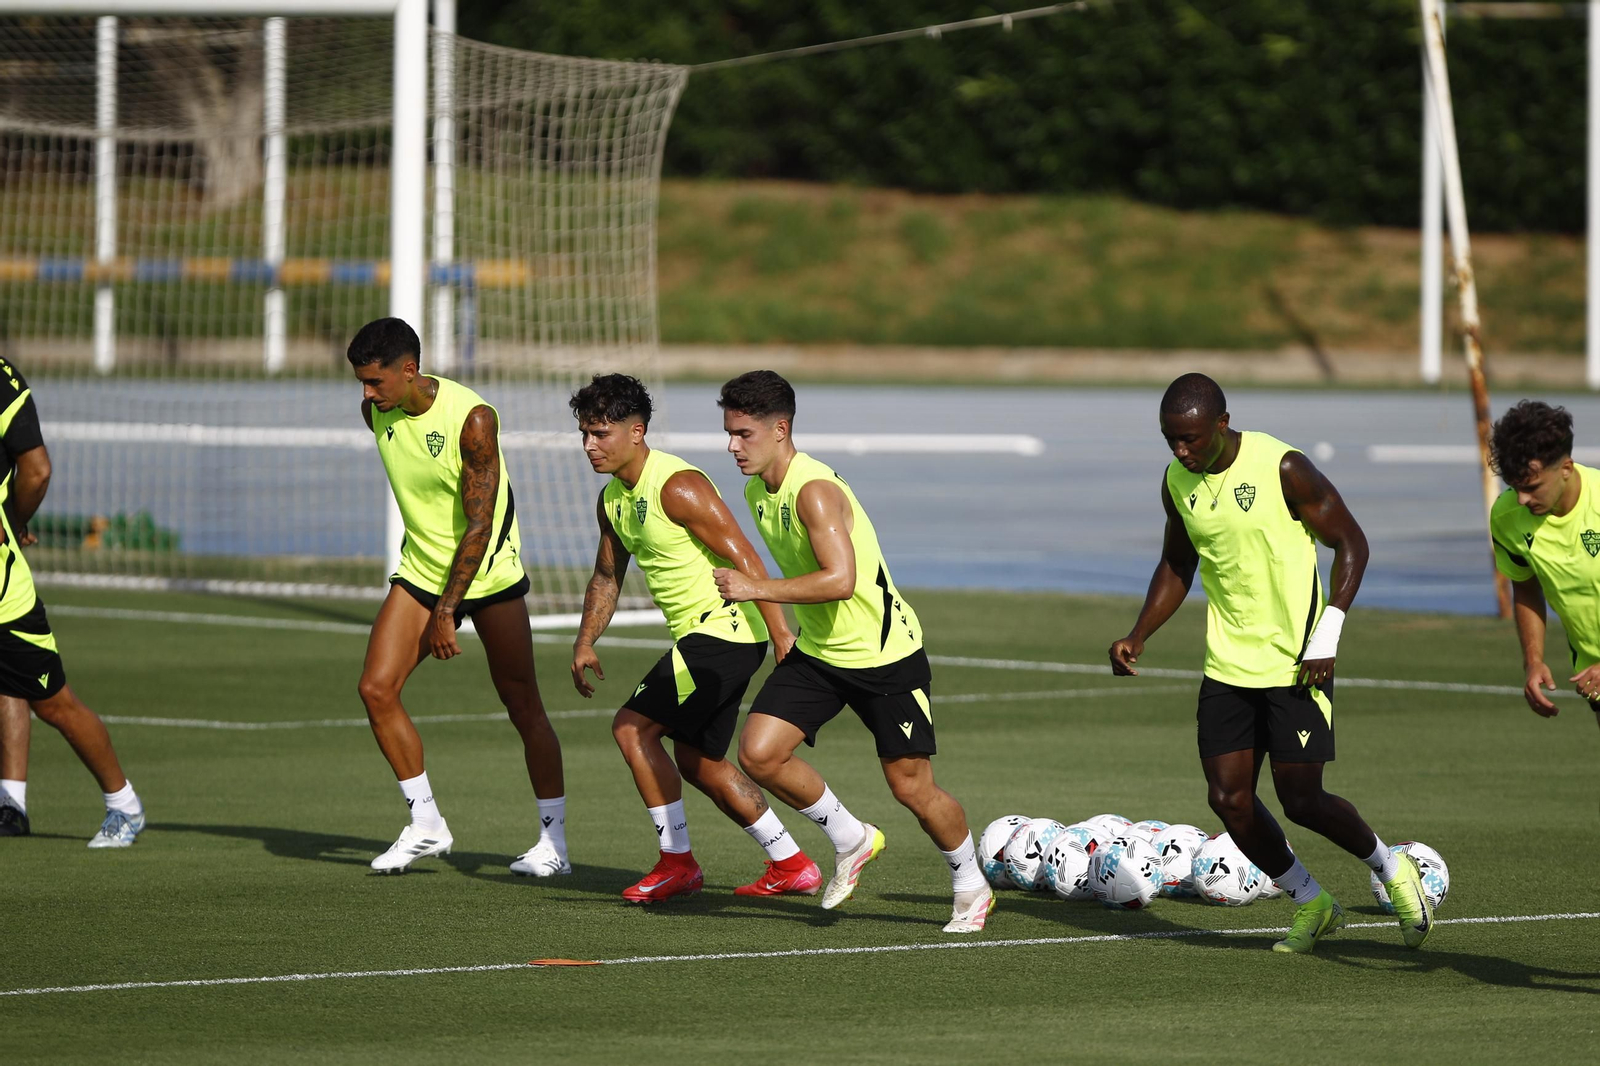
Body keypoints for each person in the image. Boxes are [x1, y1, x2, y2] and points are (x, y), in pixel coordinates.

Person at [1108, 372, 1433, 954]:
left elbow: (1351, 542)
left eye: (1190, 439)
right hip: (1228, 665)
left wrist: (1327, 633)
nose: (1180, 450)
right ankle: (1312, 901)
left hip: (1297, 664)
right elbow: (1178, 563)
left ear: (1222, 424)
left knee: (1302, 799)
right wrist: (1139, 633)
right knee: (1228, 799)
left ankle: (1392, 868)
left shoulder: (1283, 467)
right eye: (1170, 439)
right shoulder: (1177, 481)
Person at [713, 370, 993, 934]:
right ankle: (851, 838)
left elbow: (841, 580)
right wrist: (783, 630)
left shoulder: (814, 491)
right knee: (760, 754)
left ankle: (972, 885)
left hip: (884, 655)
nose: (733, 446)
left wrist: (755, 589)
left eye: (744, 434)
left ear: (780, 429)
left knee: (911, 787)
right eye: (729, 434)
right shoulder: (756, 491)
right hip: (821, 653)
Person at [569, 373, 820, 902]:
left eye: (601, 433)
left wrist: (781, 633)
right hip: (709, 639)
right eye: (585, 433)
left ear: (636, 432)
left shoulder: (677, 485)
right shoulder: (612, 500)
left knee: (632, 729)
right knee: (698, 761)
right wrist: (586, 640)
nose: (590, 445)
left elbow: (744, 556)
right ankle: (792, 864)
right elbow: (607, 575)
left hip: (724, 631)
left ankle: (677, 863)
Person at [347, 318, 567, 875]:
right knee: (376, 688)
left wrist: (448, 609)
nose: (367, 395)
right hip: (422, 570)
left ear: (409, 370)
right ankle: (426, 824)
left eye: (375, 382)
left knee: (523, 706)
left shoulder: (473, 420)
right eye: (362, 383)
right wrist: (436, 598)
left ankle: (554, 844)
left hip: (488, 574)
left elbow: (480, 522)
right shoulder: (378, 412)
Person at [0, 354, 145, 846]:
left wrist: (14, 524)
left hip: (5, 599)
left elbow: (37, 471)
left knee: (54, 704)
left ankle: (124, 804)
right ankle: (10, 802)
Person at [1487, 400, 1600, 732]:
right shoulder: (1507, 517)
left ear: (1566, 468)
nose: (1522, 498)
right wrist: (1533, 661)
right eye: (1515, 486)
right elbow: (1525, 586)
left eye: (1532, 486)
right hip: (1592, 673)